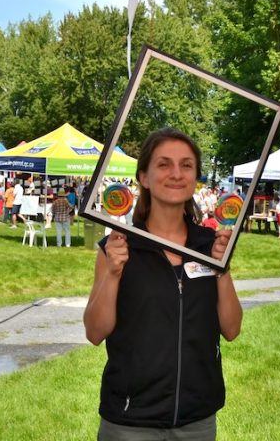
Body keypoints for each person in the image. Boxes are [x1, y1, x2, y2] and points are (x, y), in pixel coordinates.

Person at [84, 127, 242, 440]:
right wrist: (114, 272)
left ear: (196, 176)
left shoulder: (210, 245)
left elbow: (232, 329)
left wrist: (221, 269)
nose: (176, 173)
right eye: (163, 164)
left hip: (197, 419)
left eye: (186, 165)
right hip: (130, 422)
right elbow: (94, 331)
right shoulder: (117, 248)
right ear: (143, 177)